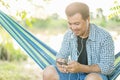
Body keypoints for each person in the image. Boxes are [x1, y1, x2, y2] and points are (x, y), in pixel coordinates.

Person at [43, 2, 115, 80]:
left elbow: (108, 67)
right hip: (73, 75)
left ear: (88, 19)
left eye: (77, 24)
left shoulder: (104, 37)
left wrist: (81, 68)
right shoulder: (68, 35)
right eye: (70, 24)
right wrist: (60, 62)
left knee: (92, 78)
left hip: (96, 76)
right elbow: (61, 55)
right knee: (48, 71)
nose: (73, 28)